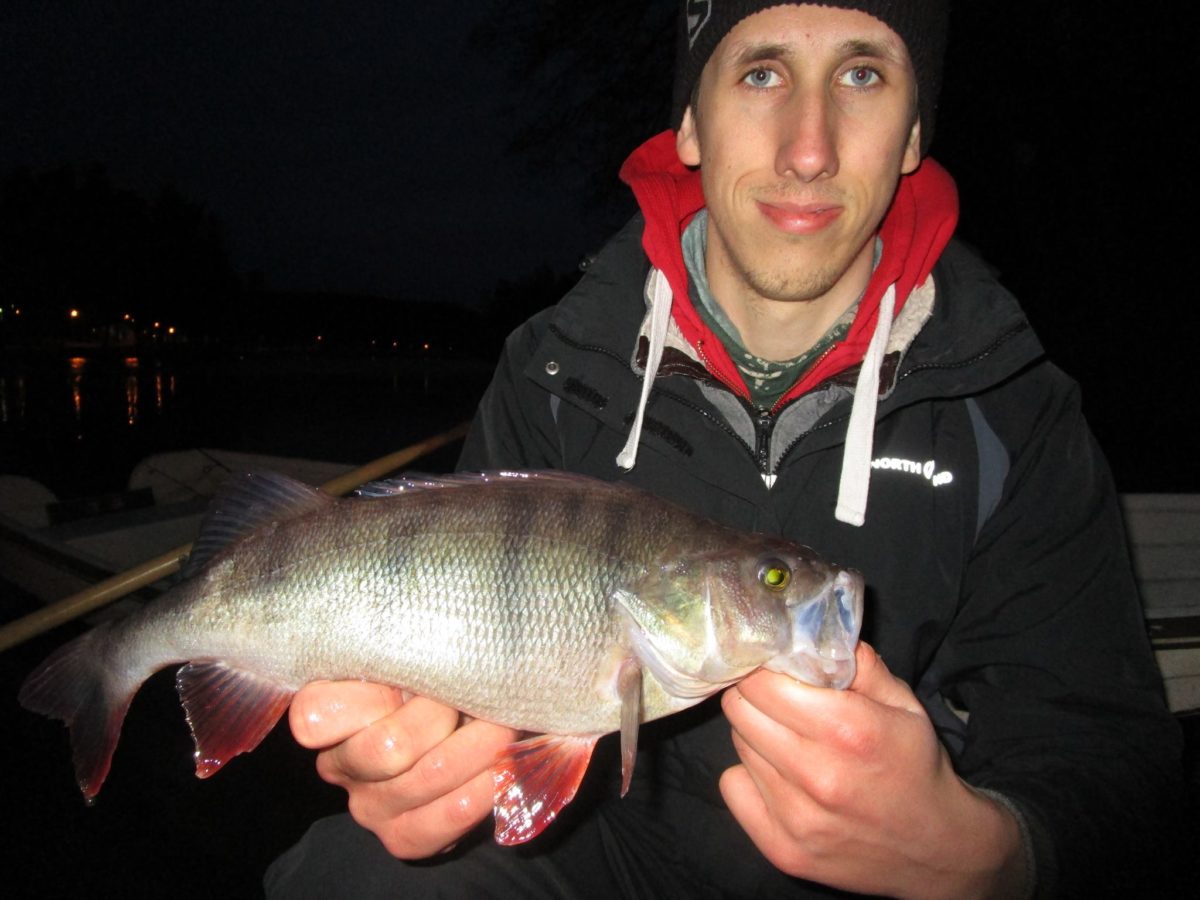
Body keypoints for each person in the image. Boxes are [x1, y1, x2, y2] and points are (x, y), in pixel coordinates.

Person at [265, 2, 1185, 896]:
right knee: (352, 873)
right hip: (598, 853)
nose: (810, 147)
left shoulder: (1011, 405)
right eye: (762, 72)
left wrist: (988, 860)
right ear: (691, 125)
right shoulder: (554, 370)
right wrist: (412, 752)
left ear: (912, 136)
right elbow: (483, 673)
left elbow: (1105, 749)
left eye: (862, 74)